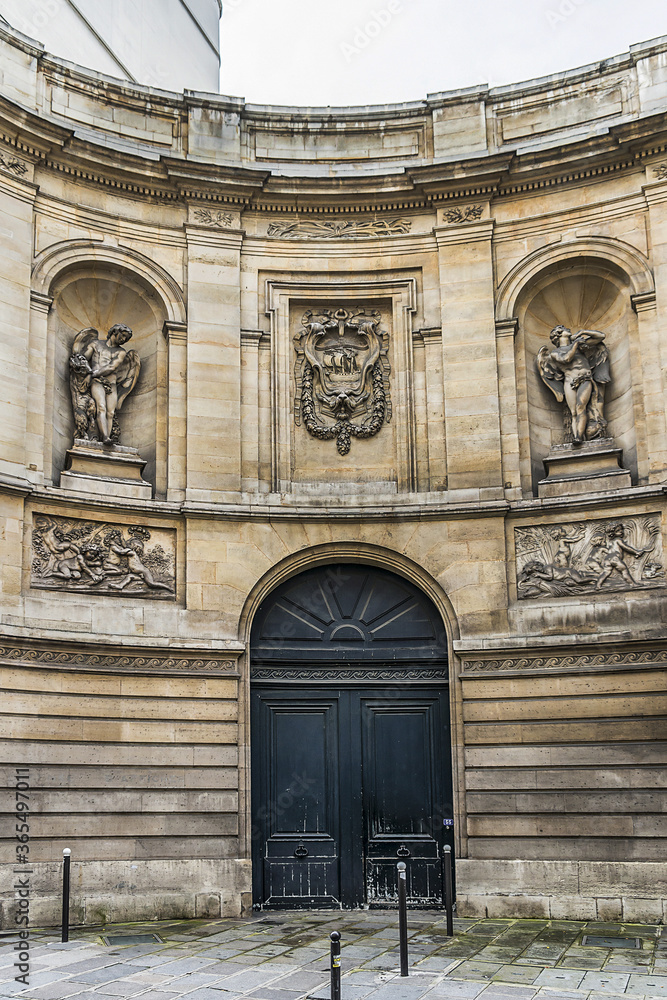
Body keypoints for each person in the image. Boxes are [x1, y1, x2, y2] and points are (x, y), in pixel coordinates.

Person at [537, 326, 610, 444]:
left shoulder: (580, 345)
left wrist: (583, 332)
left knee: (581, 407)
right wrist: (575, 345)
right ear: (559, 334)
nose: (569, 330)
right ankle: (577, 437)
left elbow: (601, 336)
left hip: (584, 379)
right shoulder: (555, 353)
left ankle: (579, 437)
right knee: (574, 412)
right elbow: (566, 359)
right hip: (569, 382)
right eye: (565, 329)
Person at [70, 325, 140, 445]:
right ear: (115, 332)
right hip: (97, 382)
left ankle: (107, 436)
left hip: (110, 383)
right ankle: (105, 437)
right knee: (101, 406)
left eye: (126, 338)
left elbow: (112, 366)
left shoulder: (121, 352)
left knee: (111, 412)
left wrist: (91, 374)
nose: (124, 339)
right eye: (123, 335)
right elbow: (82, 359)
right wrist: (84, 370)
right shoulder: (95, 344)